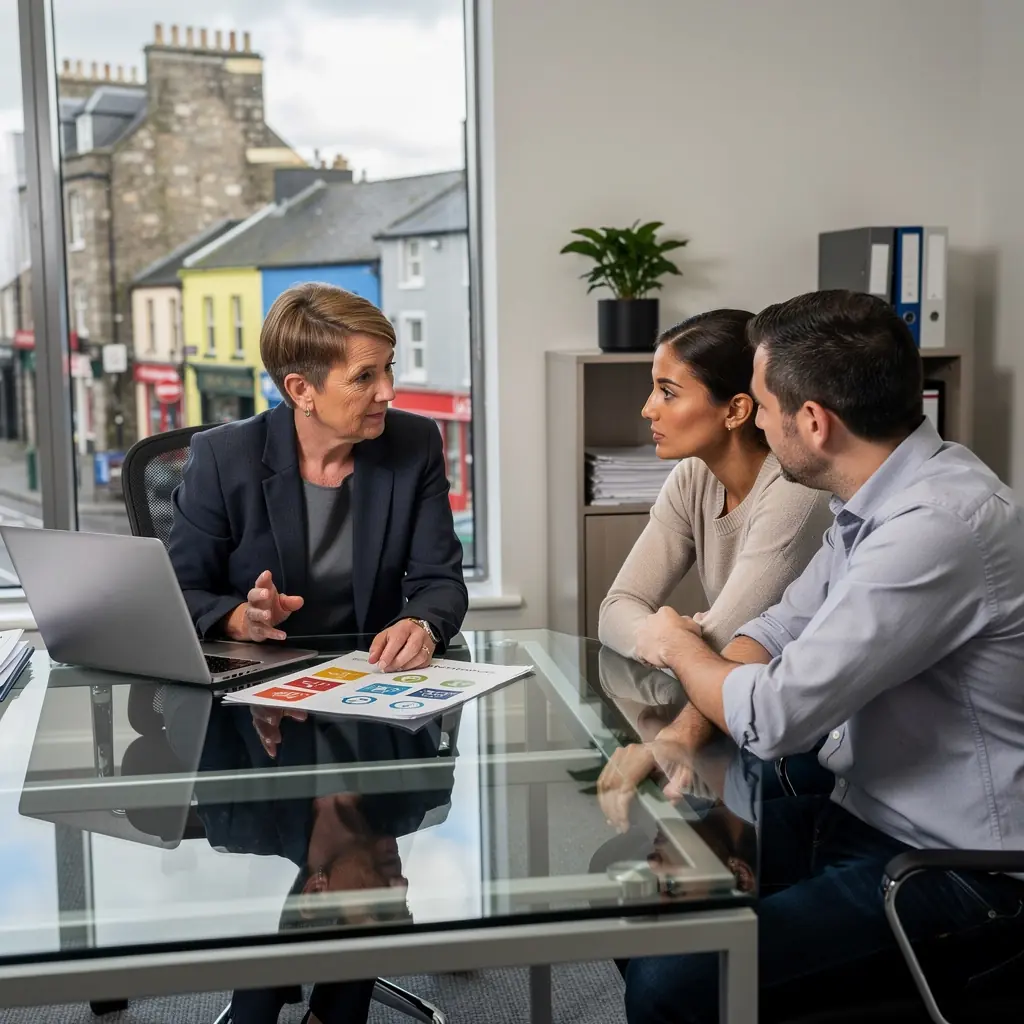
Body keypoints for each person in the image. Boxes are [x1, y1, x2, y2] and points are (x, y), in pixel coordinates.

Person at [623, 290, 1024, 1023]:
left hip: (954, 871)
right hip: (862, 817)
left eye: (765, 406)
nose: (758, 422)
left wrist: (677, 644)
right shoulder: (876, 498)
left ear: (814, 421)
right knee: (636, 886)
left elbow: (774, 717)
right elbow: (778, 626)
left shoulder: (937, 527)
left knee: (669, 984)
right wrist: (683, 727)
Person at [169, 283, 468, 672]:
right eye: (364, 377)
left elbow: (441, 579)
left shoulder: (415, 442)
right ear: (301, 390)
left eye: (388, 367)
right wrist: (243, 619)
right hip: (259, 683)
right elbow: (181, 590)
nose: (388, 391)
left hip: (373, 676)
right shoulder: (224, 457)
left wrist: (421, 623)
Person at [599, 309, 833, 660]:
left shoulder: (795, 493)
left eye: (667, 392)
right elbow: (616, 608)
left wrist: (661, 639)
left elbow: (718, 648)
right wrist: (663, 639)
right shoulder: (692, 477)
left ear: (736, 410)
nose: (648, 409)